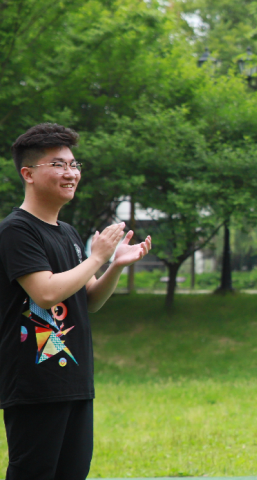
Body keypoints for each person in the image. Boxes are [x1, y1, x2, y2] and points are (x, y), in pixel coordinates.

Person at [0, 123, 153, 480]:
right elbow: (45, 292)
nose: (70, 173)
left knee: (73, 472)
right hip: (34, 383)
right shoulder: (16, 230)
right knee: (34, 472)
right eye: (58, 164)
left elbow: (90, 299)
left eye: (73, 164)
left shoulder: (67, 232)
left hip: (74, 380)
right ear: (28, 174)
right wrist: (97, 257)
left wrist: (115, 265)